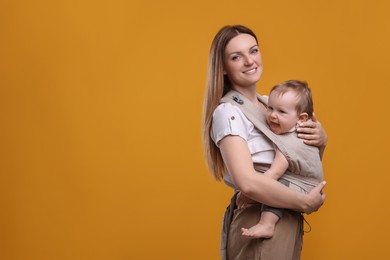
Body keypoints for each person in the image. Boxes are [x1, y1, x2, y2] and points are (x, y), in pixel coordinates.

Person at [202, 25, 328, 260]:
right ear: (224, 68)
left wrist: (320, 140)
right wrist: (304, 202)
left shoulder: (272, 105)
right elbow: (248, 183)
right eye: (236, 57)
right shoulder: (229, 111)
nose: (249, 61)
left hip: (286, 218)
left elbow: (300, 161)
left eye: (254, 51)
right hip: (258, 217)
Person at [240, 80, 324, 239]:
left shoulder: (289, 143)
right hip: (308, 181)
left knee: (276, 186)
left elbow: (274, 173)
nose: (272, 115)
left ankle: (267, 224)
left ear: (301, 118)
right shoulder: (298, 127)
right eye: (270, 108)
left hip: (307, 187)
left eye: (281, 112)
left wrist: (248, 192)